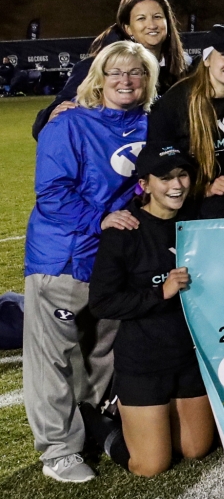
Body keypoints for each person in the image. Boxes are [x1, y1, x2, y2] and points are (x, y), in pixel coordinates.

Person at [24, 40, 158, 484]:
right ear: (98, 78)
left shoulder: (151, 125)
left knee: (103, 350)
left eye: (136, 72)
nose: (126, 80)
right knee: (54, 357)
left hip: (112, 261)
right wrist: (101, 218)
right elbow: (53, 195)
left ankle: (98, 422)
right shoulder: (68, 125)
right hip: (62, 257)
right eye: (116, 72)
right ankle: (59, 449)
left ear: (147, 80)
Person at [87, 144, 215, 477]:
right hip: (144, 362)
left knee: (196, 449)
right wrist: (162, 293)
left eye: (182, 175)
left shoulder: (198, 220)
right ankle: (102, 426)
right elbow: (102, 302)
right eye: (165, 178)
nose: (176, 185)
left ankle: (148, 420)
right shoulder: (125, 231)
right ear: (144, 184)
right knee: (151, 465)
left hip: (189, 358)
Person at [32, 0, 188, 139]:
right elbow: (53, 116)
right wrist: (50, 117)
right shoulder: (96, 66)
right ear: (128, 29)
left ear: (168, 24)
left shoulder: (183, 69)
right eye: (141, 18)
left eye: (157, 17)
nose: (152, 24)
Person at [146, 25, 224, 199]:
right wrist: (203, 190)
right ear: (207, 60)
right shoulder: (174, 103)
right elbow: (160, 163)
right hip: (190, 200)